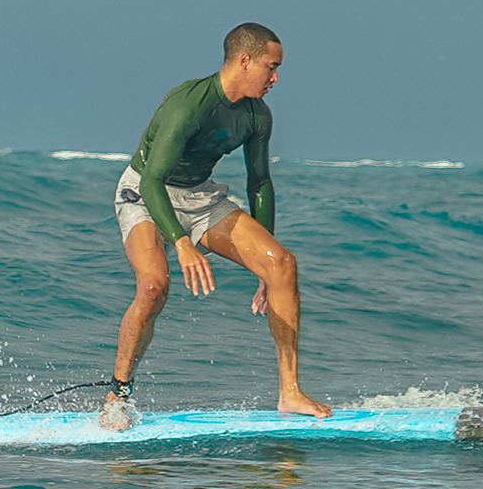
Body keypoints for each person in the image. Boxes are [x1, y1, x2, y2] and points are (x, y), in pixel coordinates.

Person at [104, 23, 328, 425]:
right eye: (270, 67)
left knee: (282, 265)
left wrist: (264, 270)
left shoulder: (257, 116)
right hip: (145, 190)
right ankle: (118, 395)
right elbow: (153, 179)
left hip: (199, 195)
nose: (275, 78)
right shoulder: (187, 104)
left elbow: (260, 183)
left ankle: (290, 393)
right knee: (154, 286)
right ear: (244, 61)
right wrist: (182, 242)